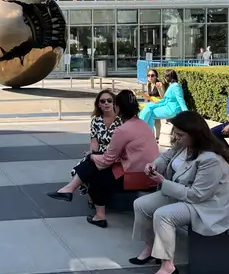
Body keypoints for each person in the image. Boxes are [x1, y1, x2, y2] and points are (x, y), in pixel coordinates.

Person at [132, 111, 229, 274]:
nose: (176, 137)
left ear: (195, 134)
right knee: (141, 204)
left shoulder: (210, 159)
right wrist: (154, 166)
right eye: (175, 132)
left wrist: (162, 182)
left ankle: (168, 267)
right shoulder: (184, 145)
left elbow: (197, 195)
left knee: (163, 215)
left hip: (206, 205)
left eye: (181, 134)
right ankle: (150, 247)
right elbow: (166, 157)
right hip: (181, 194)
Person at [47, 90, 159, 227]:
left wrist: (92, 156)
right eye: (102, 101)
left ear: (117, 107)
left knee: (94, 175)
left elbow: (107, 160)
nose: (107, 104)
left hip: (137, 175)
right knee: (92, 163)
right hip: (147, 172)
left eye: (111, 102)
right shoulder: (141, 124)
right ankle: (69, 190)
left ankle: (98, 214)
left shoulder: (122, 129)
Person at [71, 90, 122, 200]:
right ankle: (89, 194)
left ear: (114, 103)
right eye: (103, 101)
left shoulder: (121, 120)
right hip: (100, 153)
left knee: (89, 168)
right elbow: (94, 141)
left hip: (116, 156)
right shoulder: (96, 121)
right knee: (80, 167)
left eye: (109, 101)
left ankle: (71, 190)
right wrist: (92, 153)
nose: (106, 103)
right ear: (99, 104)